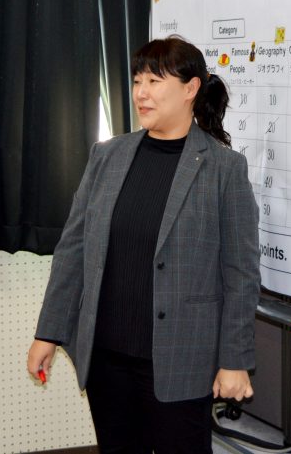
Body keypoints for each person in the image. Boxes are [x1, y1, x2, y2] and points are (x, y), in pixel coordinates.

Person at [27, 36, 260, 454]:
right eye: (137, 81)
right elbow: (73, 251)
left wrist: (234, 360)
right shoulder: (107, 156)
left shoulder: (224, 168)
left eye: (154, 81)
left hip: (182, 359)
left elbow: (241, 274)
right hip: (107, 359)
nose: (141, 93)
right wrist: (49, 333)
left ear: (190, 89)